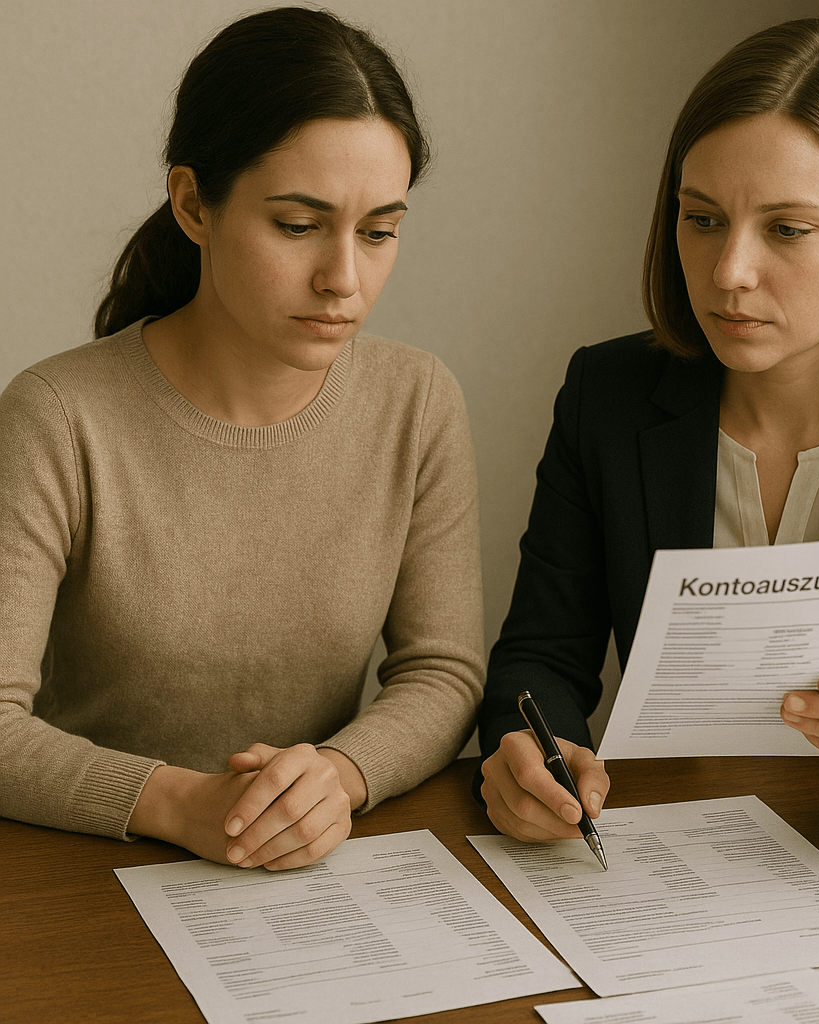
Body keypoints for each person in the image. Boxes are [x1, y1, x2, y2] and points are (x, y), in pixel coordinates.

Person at [476, 17, 819, 841]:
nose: (729, 271)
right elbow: (541, 658)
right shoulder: (608, 393)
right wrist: (533, 751)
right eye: (701, 220)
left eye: (787, 229)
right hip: (660, 842)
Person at [0, 7, 484, 871]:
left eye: (379, 233)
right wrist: (185, 803)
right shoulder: (57, 416)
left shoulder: (418, 401)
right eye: (297, 226)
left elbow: (443, 674)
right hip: (84, 875)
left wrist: (337, 776)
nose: (344, 278)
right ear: (193, 204)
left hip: (315, 871)